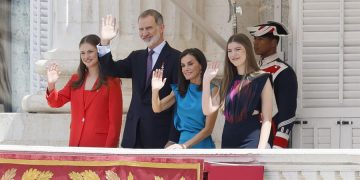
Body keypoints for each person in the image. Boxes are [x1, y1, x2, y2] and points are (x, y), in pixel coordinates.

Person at [98, 9, 180, 148]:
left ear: (161, 28)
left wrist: (173, 138)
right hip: (133, 135)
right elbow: (110, 69)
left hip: (161, 136)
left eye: (148, 28)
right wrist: (105, 42)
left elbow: (179, 101)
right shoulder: (136, 57)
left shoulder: (177, 58)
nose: (144, 33)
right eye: (141, 29)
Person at [46, 34, 123, 147]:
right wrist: (51, 84)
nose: (86, 56)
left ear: (99, 52)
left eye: (90, 51)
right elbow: (55, 102)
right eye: (82, 53)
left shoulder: (112, 82)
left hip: (100, 147)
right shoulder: (75, 79)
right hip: (75, 145)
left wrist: (108, 153)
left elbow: (115, 124)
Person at [202, 33, 273, 149]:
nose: (233, 54)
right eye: (229, 51)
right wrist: (206, 80)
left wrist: (261, 149)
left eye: (238, 49)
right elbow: (207, 110)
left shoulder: (262, 78)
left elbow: (267, 119)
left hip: (251, 140)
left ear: (247, 51)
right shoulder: (228, 80)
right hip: (228, 140)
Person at [152, 48, 218, 149]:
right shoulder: (179, 90)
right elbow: (157, 108)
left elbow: (208, 129)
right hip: (181, 145)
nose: (185, 68)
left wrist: (184, 146)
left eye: (190, 64)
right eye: (183, 66)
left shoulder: (213, 89)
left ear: (201, 65)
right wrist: (155, 90)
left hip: (202, 147)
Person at [247, 21, 298, 148]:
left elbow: (287, 114)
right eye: (255, 39)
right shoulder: (252, 69)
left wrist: (278, 146)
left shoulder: (284, 71)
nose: (255, 42)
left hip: (270, 136)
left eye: (261, 39)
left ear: (273, 43)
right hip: (248, 135)